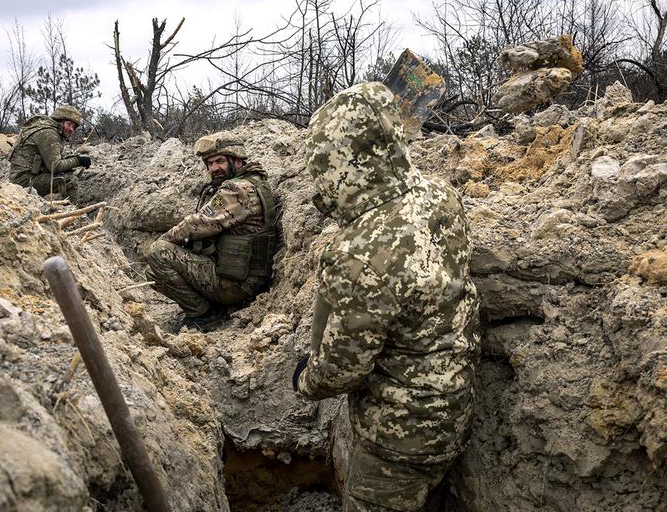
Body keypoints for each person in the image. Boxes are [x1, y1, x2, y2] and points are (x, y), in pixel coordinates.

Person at [292, 82, 480, 512]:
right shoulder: (439, 195)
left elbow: (342, 369)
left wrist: (305, 379)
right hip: (455, 401)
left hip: (400, 433)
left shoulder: (359, 252)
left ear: (338, 163)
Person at [145, 132, 278, 328]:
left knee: (158, 252)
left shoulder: (238, 190)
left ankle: (206, 315)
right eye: (210, 163)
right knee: (153, 274)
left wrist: (166, 240)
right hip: (245, 277)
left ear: (238, 160)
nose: (214, 168)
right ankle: (210, 307)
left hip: (237, 285)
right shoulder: (255, 182)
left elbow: (195, 225)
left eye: (220, 161)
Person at [8, 104, 91, 199]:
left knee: (64, 174)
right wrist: (78, 161)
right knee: (69, 180)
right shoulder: (49, 134)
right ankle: (73, 211)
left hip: (23, 177)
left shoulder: (46, 129)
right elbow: (54, 166)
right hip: (24, 181)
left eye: (74, 127)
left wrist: (73, 161)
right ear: (60, 121)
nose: (71, 129)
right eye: (69, 124)